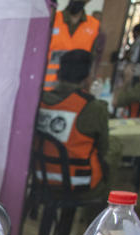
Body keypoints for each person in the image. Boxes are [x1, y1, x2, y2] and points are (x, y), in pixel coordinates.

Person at [35, 49, 116, 199]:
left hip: (38, 176)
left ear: (58, 73)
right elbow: (103, 148)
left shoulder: (39, 99)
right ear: (87, 77)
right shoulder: (92, 107)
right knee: (113, 155)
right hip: (78, 183)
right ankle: (103, 219)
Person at [44, 1, 100, 91]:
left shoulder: (94, 26)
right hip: (47, 90)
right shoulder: (53, 19)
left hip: (75, 93)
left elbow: (94, 60)